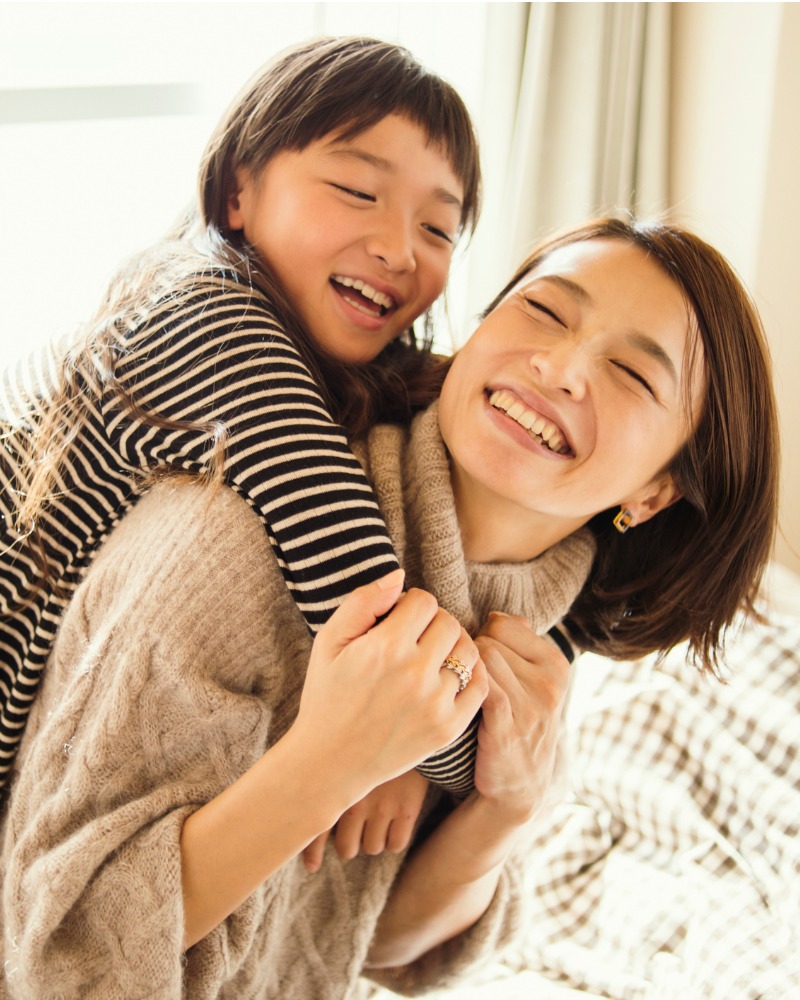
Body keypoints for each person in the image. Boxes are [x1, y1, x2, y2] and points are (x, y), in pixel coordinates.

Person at [0, 218, 778, 998]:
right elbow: (62, 964)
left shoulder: (531, 633)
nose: (559, 366)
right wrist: (336, 761)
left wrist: (506, 809)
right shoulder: (228, 543)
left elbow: (375, 946)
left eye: (633, 374)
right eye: (543, 310)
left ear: (655, 492)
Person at [0, 36, 481, 796]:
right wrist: (492, 770)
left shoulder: (343, 364)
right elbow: (373, 628)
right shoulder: (203, 317)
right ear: (237, 193)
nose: (399, 250)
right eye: (358, 191)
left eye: (437, 230)